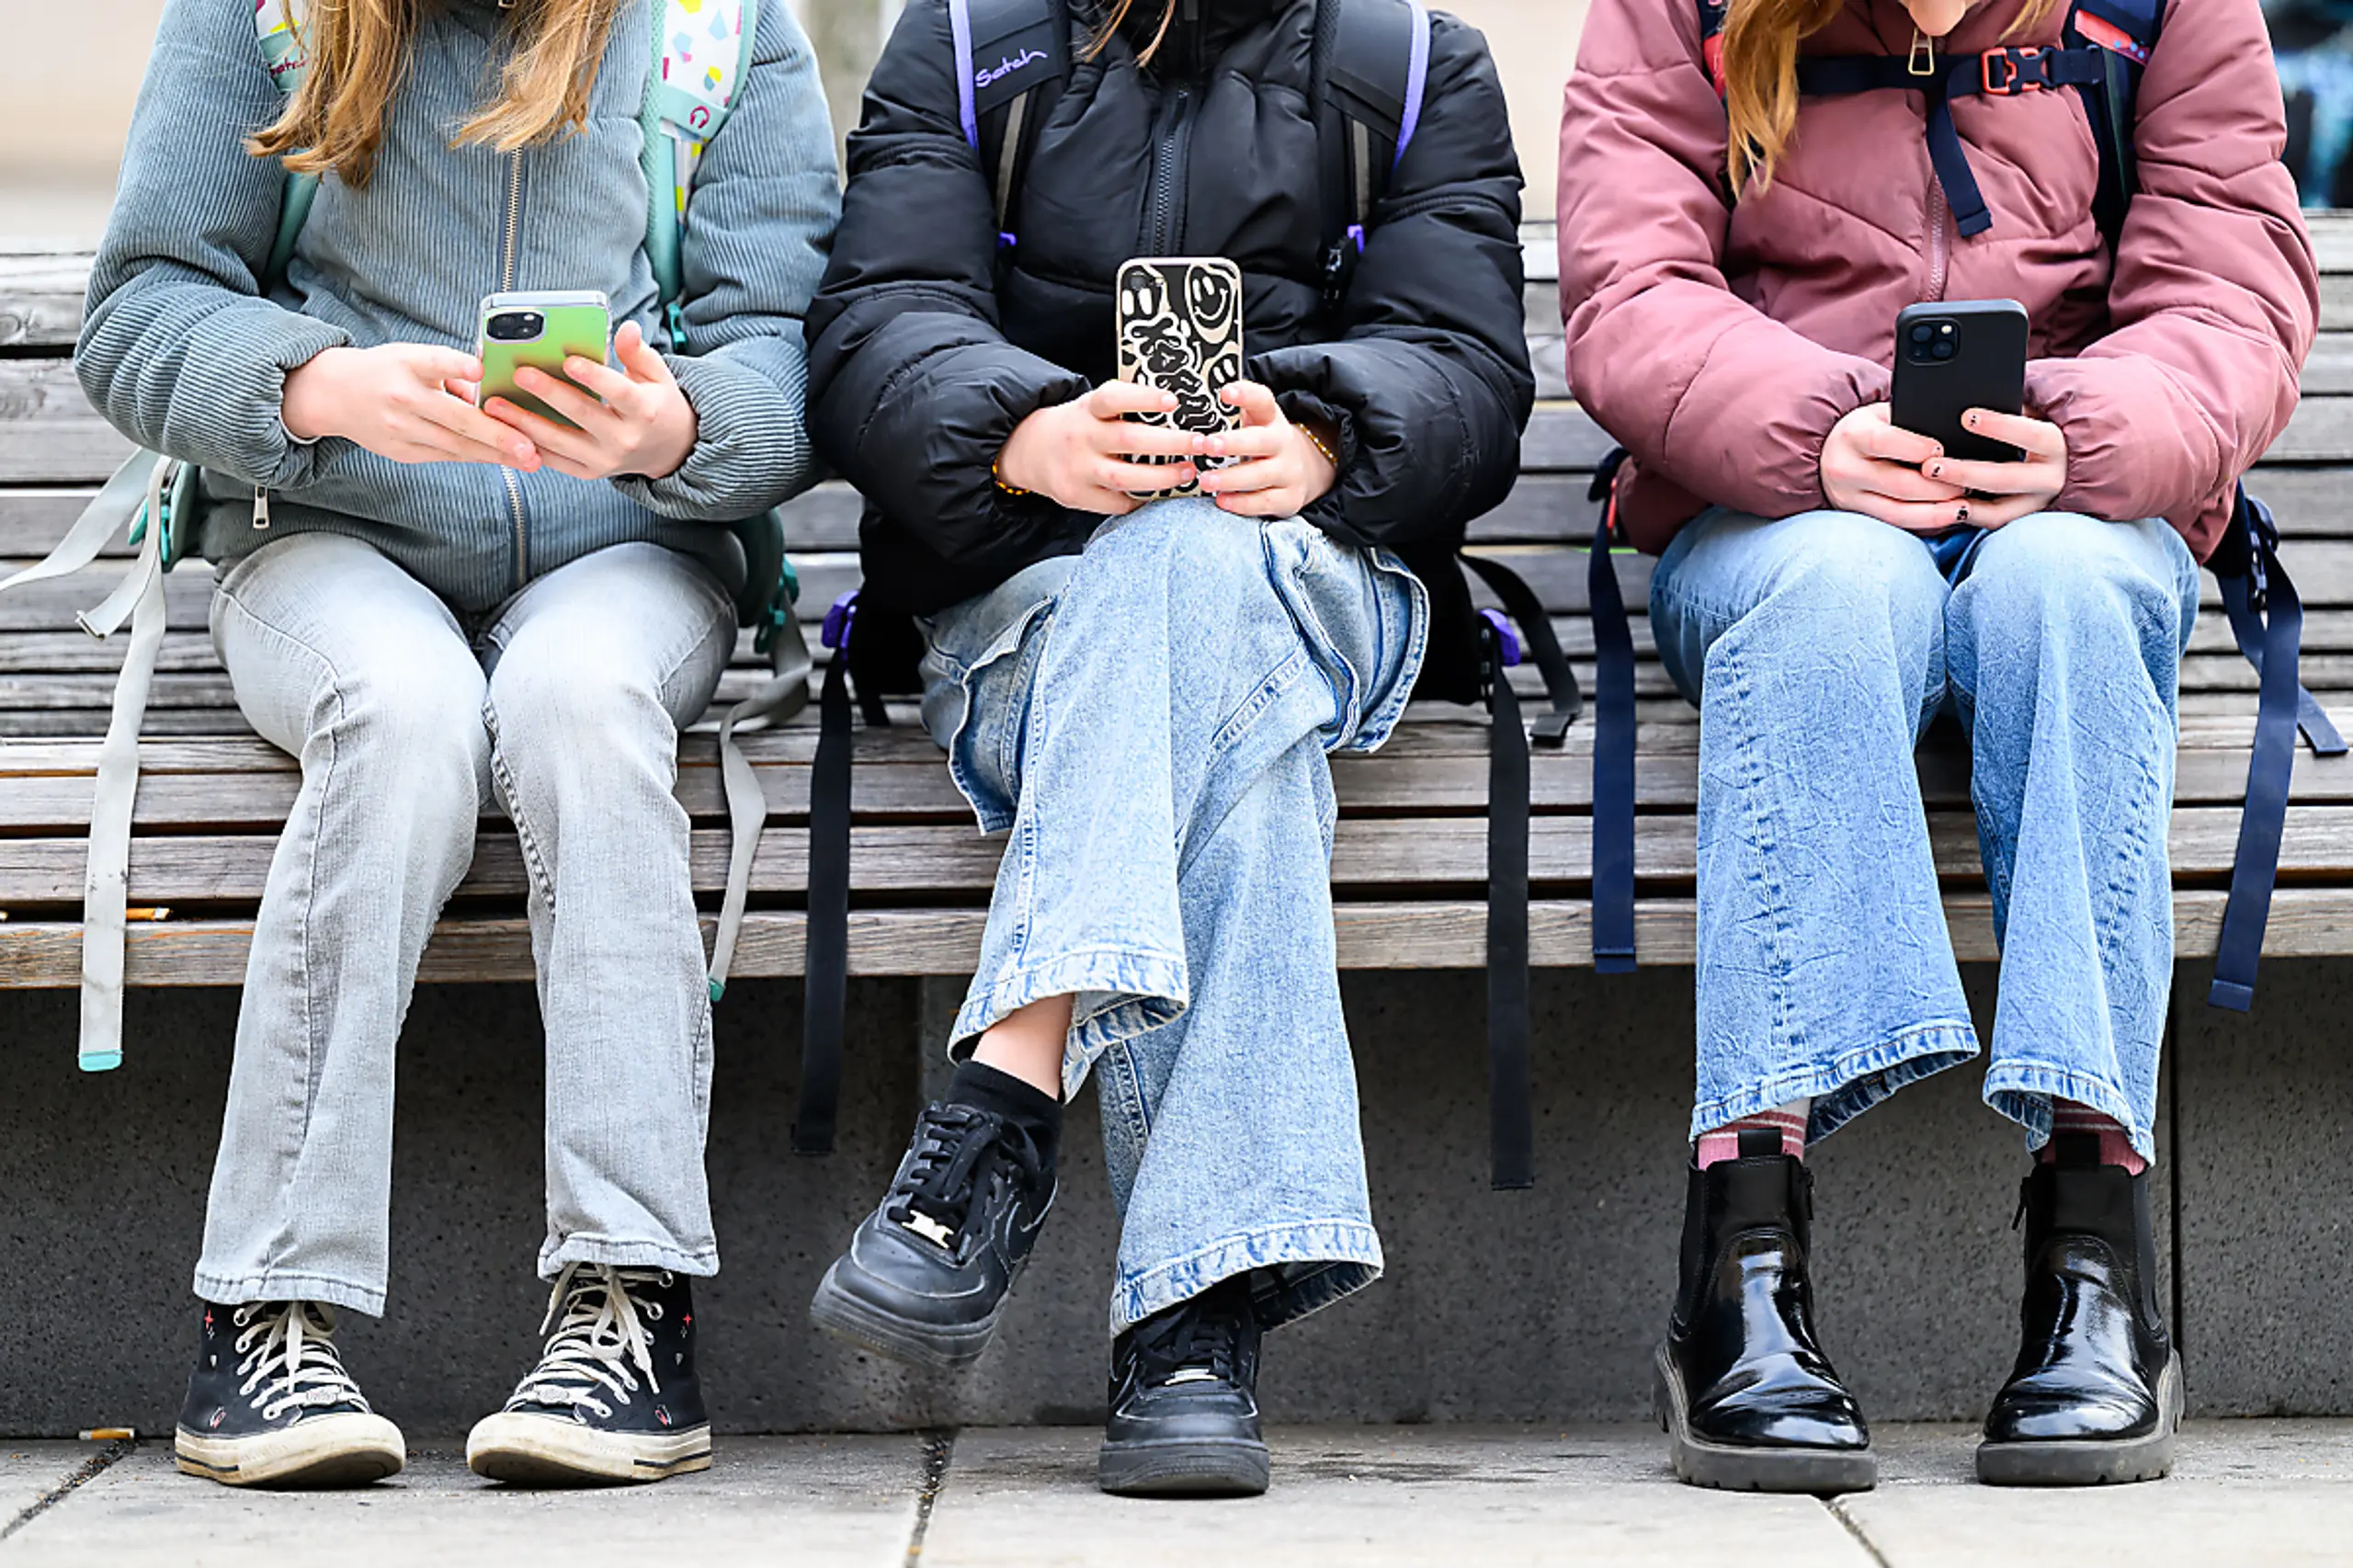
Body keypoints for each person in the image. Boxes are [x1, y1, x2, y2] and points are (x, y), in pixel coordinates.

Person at [77, 0, 836, 1488]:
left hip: (628, 548)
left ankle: (630, 1299)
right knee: (402, 712)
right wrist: (314, 386)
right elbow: (143, 307)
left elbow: (790, 349)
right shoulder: (268, 14)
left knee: (580, 704)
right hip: (329, 540)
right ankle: (265, 1309)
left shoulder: (717, 26)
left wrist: (677, 430)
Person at [1559, 0, 2313, 1494]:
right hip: (1781, 516)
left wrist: (2082, 436)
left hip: (2076, 514)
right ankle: (1743, 1253)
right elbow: (1629, 286)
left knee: (2074, 593)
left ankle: (2098, 1259)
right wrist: (1819, 428)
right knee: (1837, 586)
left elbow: (2234, 298)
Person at [801, 0, 1531, 1497]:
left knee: (1197, 557)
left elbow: (1467, 362)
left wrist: (1323, 437)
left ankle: (1010, 1093)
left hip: (1326, 590)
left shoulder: (1410, 67)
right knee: (1236, 756)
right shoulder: (959, 44)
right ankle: (1192, 1332)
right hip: (1027, 616)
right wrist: (1025, 438)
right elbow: (879, 325)